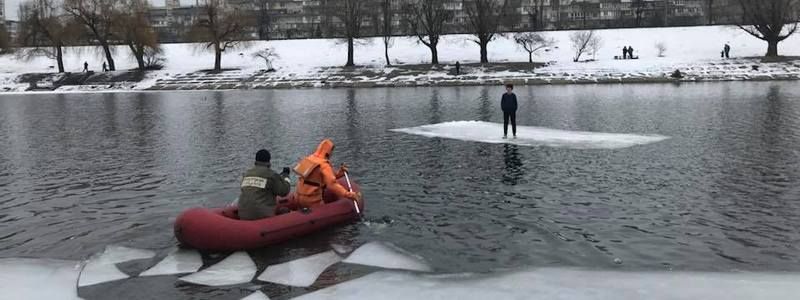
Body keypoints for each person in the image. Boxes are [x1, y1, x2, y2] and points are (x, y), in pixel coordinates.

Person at [293, 139, 361, 208]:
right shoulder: (324, 165)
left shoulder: (309, 158)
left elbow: (317, 177)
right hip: (312, 200)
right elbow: (332, 184)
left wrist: (339, 174)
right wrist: (349, 194)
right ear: (328, 153)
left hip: (297, 197)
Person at [237, 149, 291, 220]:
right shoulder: (271, 175)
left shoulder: (246, 174)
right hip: (262, 216)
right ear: (269, 161)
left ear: (256, 160)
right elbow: (284, 191)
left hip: (243, 215)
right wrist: (286, 176)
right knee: (285, 210)